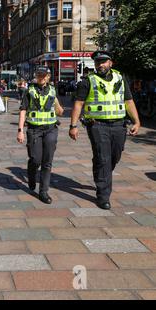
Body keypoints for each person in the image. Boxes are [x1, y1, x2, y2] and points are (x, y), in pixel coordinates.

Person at [69, 50, 140, 210]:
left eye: (103, 61)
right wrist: (73, 126)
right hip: (97, 125)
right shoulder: (88, 81)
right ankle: (103, 195)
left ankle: (101, 171)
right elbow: (78, 104)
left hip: (119, 125)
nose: (100, 65)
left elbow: (128, 101)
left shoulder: (120, 79)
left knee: (115, 156)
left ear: (110, 63)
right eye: (97, 62)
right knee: (103, 158)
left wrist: (136, 121)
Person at [17, 66, 64, 204]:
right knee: (35, 159)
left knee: (47, 162)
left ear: (48, 77)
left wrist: (58, 105)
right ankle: (31, 175)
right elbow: (23, 111)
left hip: (51, 129)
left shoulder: (53, 91)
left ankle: (43, 191)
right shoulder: (29, 91)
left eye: (44, 75)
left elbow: (59, 110)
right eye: (39, 75)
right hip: (34, 130)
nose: (41, 77)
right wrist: (20, 130)